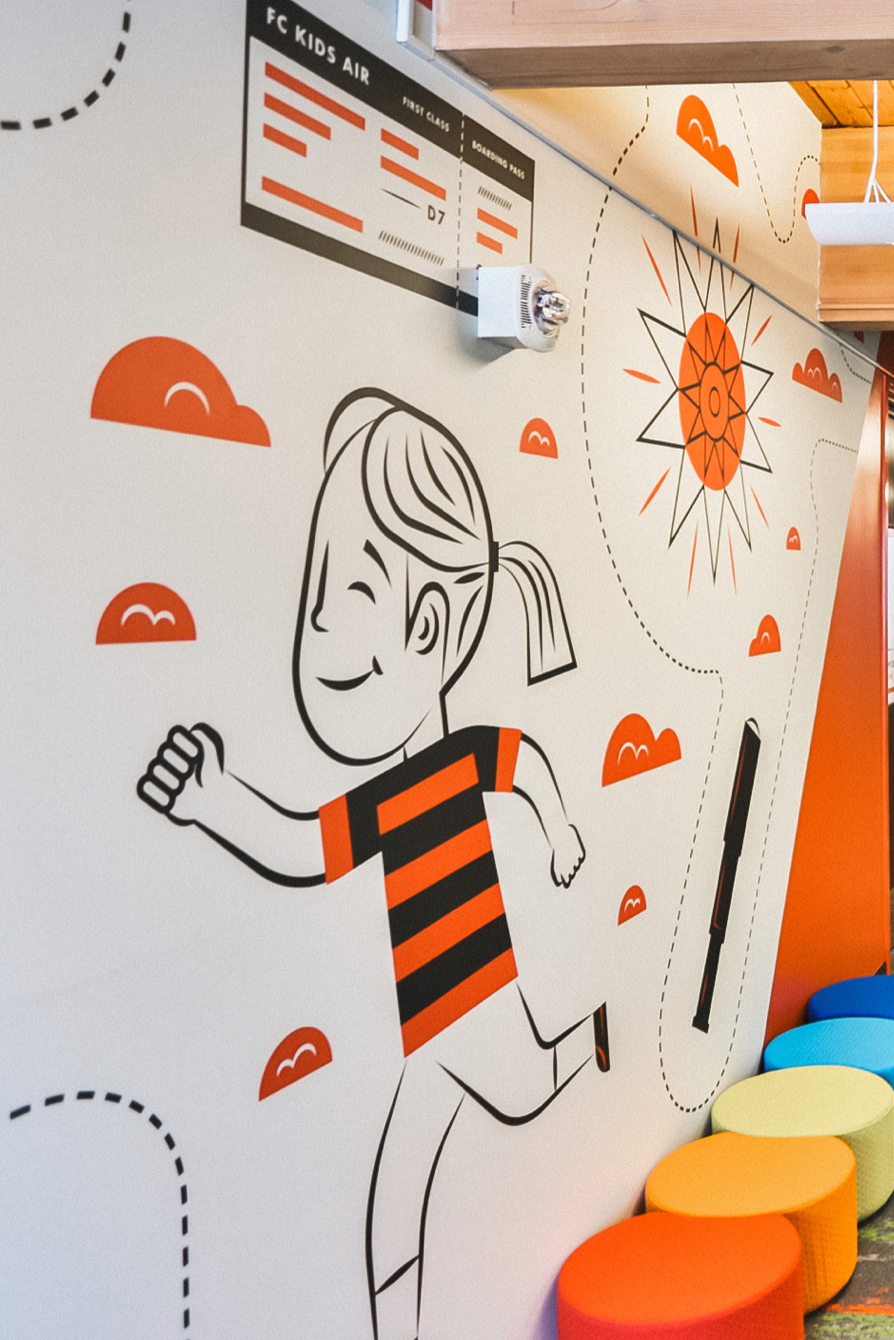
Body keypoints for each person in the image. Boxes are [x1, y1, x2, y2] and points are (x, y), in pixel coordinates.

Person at [136, 390, 603, 1340]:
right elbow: (304, 847)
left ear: (428, 627)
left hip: (476, 998)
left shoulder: (453, 761)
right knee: (397, 1195)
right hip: (430, 1015)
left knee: (525, 1086)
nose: (315, 631)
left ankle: (586, 1039)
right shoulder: (387, 799)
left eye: (340, 599)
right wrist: (213, 799)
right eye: (318, 597)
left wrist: (560, 833)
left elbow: (520, 763)